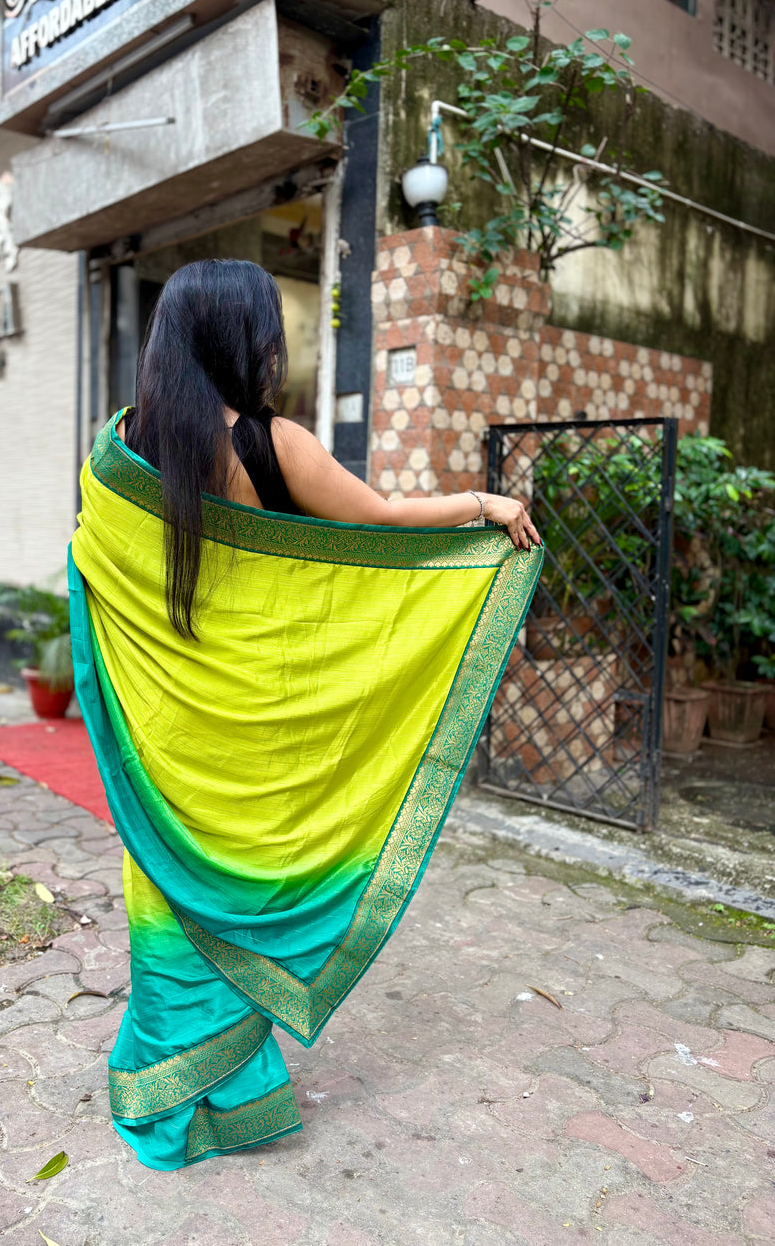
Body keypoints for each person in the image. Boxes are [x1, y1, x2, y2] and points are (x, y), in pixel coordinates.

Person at [68, 258, 542, 1171]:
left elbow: (90, 572)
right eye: (269, 330)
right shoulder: (269, 443)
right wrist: (485, 504)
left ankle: (167, 1094)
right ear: (235, 341)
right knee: (250, 903)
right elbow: (386, 518)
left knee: (170, 915)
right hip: (268, 736)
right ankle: (226, 1098)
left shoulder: (119, 452)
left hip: (169, 748)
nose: (278, 348)